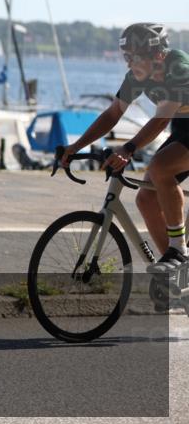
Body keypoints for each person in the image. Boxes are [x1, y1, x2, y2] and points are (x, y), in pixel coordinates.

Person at [62, 22, 189, 275]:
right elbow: (112, 114)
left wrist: (128, 148)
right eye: (126, 57)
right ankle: (177, 272)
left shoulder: (179, 69)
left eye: (134, 57)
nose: (129, 63)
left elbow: (161, 119)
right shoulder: (137, 77)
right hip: (184, 130)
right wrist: (75, 147)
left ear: (157, 55)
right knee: (146, 199)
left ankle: (179, 251)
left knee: (161, 167)